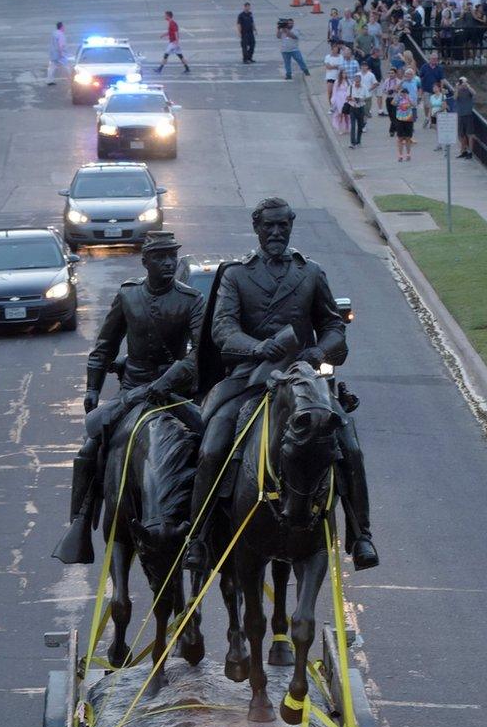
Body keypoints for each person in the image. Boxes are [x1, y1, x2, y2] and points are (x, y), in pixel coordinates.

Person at [185, 198, 378, 573]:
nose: (275, 233)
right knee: (210, 448)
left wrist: (317, 351)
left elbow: (334, 325)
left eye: (281, 226)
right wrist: (257, 347)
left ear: (290, 227)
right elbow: (222, 328)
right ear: (257, 229)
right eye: (268, 227)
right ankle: (198, 536)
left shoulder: (310, 273)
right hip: (250, 380)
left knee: (349, 446)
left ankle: (361, 534)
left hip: (303, 380)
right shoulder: (236, 275)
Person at [55, 231, 205, 565]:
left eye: (172, 257)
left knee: (212, 445)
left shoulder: (191, 299)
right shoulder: (128, 296)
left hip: (175, 396)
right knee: (90, 448)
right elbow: (104, 347)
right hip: (133, 392)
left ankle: (207, 530)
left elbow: (198, 355)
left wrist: (167, 382)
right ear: (146, 261)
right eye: (161, 257)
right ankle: (81, 519)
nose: (168, 263)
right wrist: (92, 389)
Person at [455, 75, 475, 158]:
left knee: (470, 134)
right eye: (461, 82)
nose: (462, 83)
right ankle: (464, 150)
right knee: (461, 135)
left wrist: (467, 86)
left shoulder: (469, 90)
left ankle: (470, 152)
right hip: (460, 114)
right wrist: (457, 88)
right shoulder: (458, 90)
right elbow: (455, 97)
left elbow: (474, 93)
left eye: (463, 81)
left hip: (468, 114)